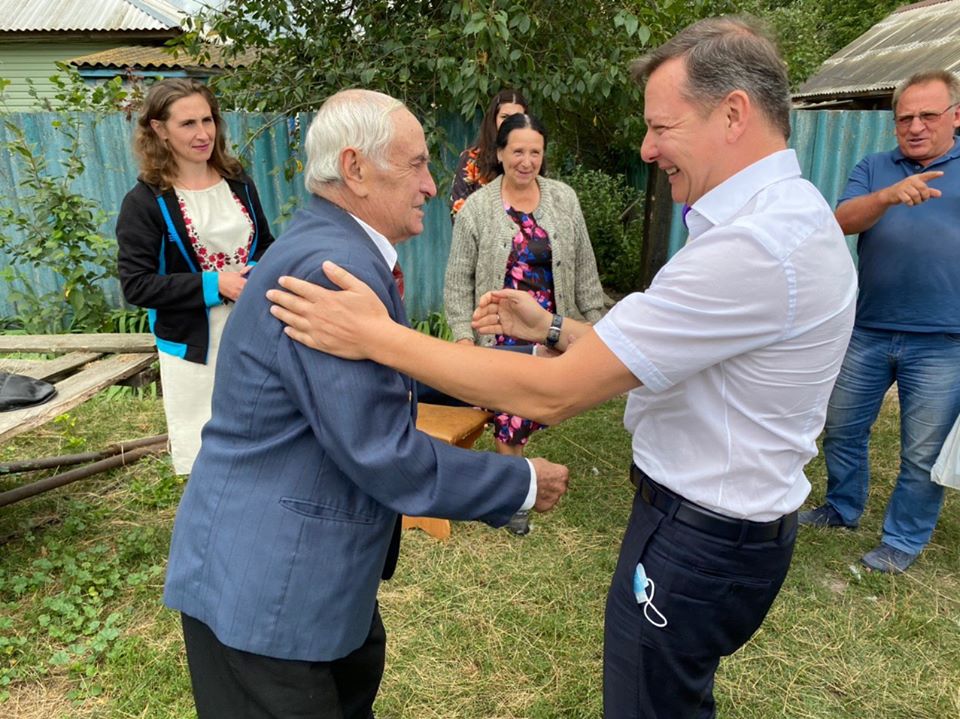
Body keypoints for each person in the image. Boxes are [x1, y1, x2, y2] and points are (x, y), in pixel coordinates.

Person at [267, 17, 857, 718]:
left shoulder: (752, 246)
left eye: (661, 127)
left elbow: (552, 393)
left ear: (733, 113)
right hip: (725, 529)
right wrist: (550, 325)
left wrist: (376, 336)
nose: (647, 148)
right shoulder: (790, 217)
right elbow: (660, 345)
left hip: (701, 535)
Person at [163, 89, 569, 719]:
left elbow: (389, 370)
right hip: (269, 596)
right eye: (416, 164)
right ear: (354, 168)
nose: (431, 185)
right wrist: (520, 483)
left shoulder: (337, 247)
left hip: (305, 580)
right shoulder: (332, 268)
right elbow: (381, 450)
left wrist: (523, 368)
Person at [798, 70, 960, 574]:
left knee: (921, 451)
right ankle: (842, 508)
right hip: (867, 328)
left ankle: (902, 539)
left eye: (927, 115)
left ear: (956, 116)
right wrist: (889, 195)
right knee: (842, 428)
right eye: (905, 118)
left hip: (944, 339)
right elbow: (840, 221)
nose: (915, 126)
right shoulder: (875, 167)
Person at [446, 113, 605, 533]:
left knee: (534, 405)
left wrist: (597, 325)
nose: (527, 161)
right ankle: (515, 496)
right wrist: (463, 337)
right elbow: (458, 280)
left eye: (535, 152)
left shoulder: (563, 199)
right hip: (498, 330)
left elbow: (584, 269)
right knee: (512, 413)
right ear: (499, 153)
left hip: (550, 325)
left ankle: (510, 481)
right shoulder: (478, 208)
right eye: (518, 151)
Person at [116, 78, 274, 475]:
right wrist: (216, 284)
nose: (203, 134)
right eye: (188, 123)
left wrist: (257, 272)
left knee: (262, 442)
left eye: (208, 120)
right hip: (195, 346)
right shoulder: (144, 202)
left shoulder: (238, 183)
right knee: (208, 457)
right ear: (159, 129)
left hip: (254, 333)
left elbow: (266, 245)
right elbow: (137, 284)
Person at [450, 88, 528, 218]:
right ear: (494, 120)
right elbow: (458, 213)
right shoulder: (471, 160)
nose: (510, 124)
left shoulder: (532, 161)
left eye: (517, 118)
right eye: (504, 117)